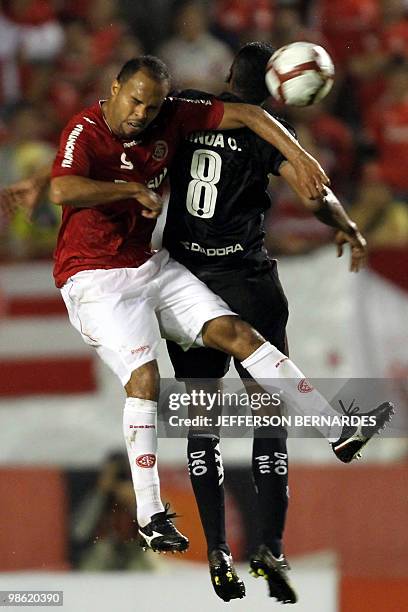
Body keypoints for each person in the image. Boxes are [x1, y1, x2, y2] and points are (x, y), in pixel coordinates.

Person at [1, 54, 393, 597]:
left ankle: (338, 430)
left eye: (152, 104)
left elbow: (252, 117)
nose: (142, 113)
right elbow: (68, 187)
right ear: (114, 89)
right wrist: (123, 191)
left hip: (155, 266)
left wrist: (300, 157)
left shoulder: (174, 117)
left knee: (240, 336)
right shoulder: (85, 127)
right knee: (145, 379)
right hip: (94, 281)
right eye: (134, 100)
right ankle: (150, 512)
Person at [162, 42, 394, 602]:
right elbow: (312, 189)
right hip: (246, 282)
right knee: (268, 411)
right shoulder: (264, 128)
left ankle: (217, 546)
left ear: (225, 78)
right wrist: (346, 224)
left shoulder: (186, 111)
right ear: (274, 86)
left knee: (203, 416)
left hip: (185, 283)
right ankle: (269, 544)